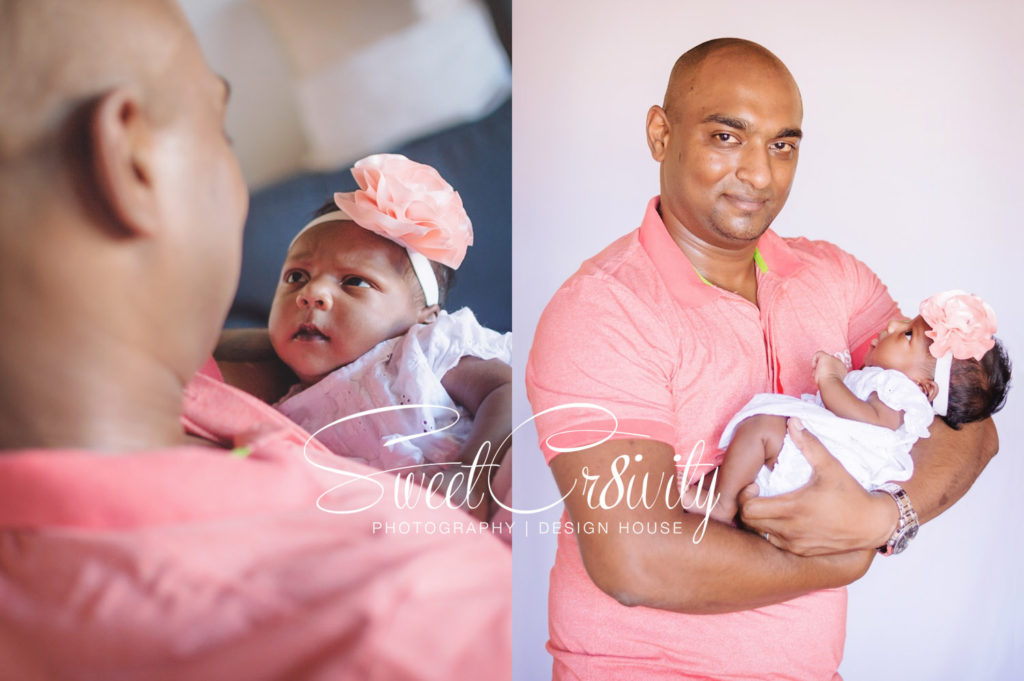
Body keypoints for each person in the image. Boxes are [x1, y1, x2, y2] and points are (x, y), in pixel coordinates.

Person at [0, 1, 510, 679]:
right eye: (221, 128)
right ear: (132, 157)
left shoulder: (154, 383)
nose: (310, 292)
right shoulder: (421, 614)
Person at [525, 38, 998, 679]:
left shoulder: (833, 277)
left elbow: (966, 422)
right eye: (728, 137)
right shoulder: (603, 312)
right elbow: (637, 557)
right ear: (661, 134)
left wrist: (886, 515)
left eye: (783, 145)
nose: (760, 174)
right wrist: (839, 557)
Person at [269, 154, 512, 522]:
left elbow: (512, 393)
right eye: (296, 277)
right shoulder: (287, 414)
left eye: (354, 281)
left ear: (425, 315)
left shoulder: (423, 349)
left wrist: (472, 473)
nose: (311, 293)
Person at [702, 291, 1010, 524]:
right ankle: (728, 495)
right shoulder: (893, 385)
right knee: (760, 430)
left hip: (821, 470)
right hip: (819, 465)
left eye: (907, 334)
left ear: (924, 387)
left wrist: (831, 379)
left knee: (761, 427)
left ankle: (723, 502)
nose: (892, 324)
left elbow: (867, 419)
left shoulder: (901, 393)